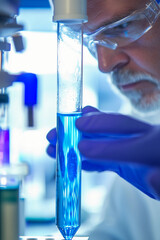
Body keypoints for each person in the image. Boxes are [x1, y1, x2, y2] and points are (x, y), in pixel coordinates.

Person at [47, 0, 160, 239]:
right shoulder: (141, 117)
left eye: (124, 26)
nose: (105, 65)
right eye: (90, 43)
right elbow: (116, 232)